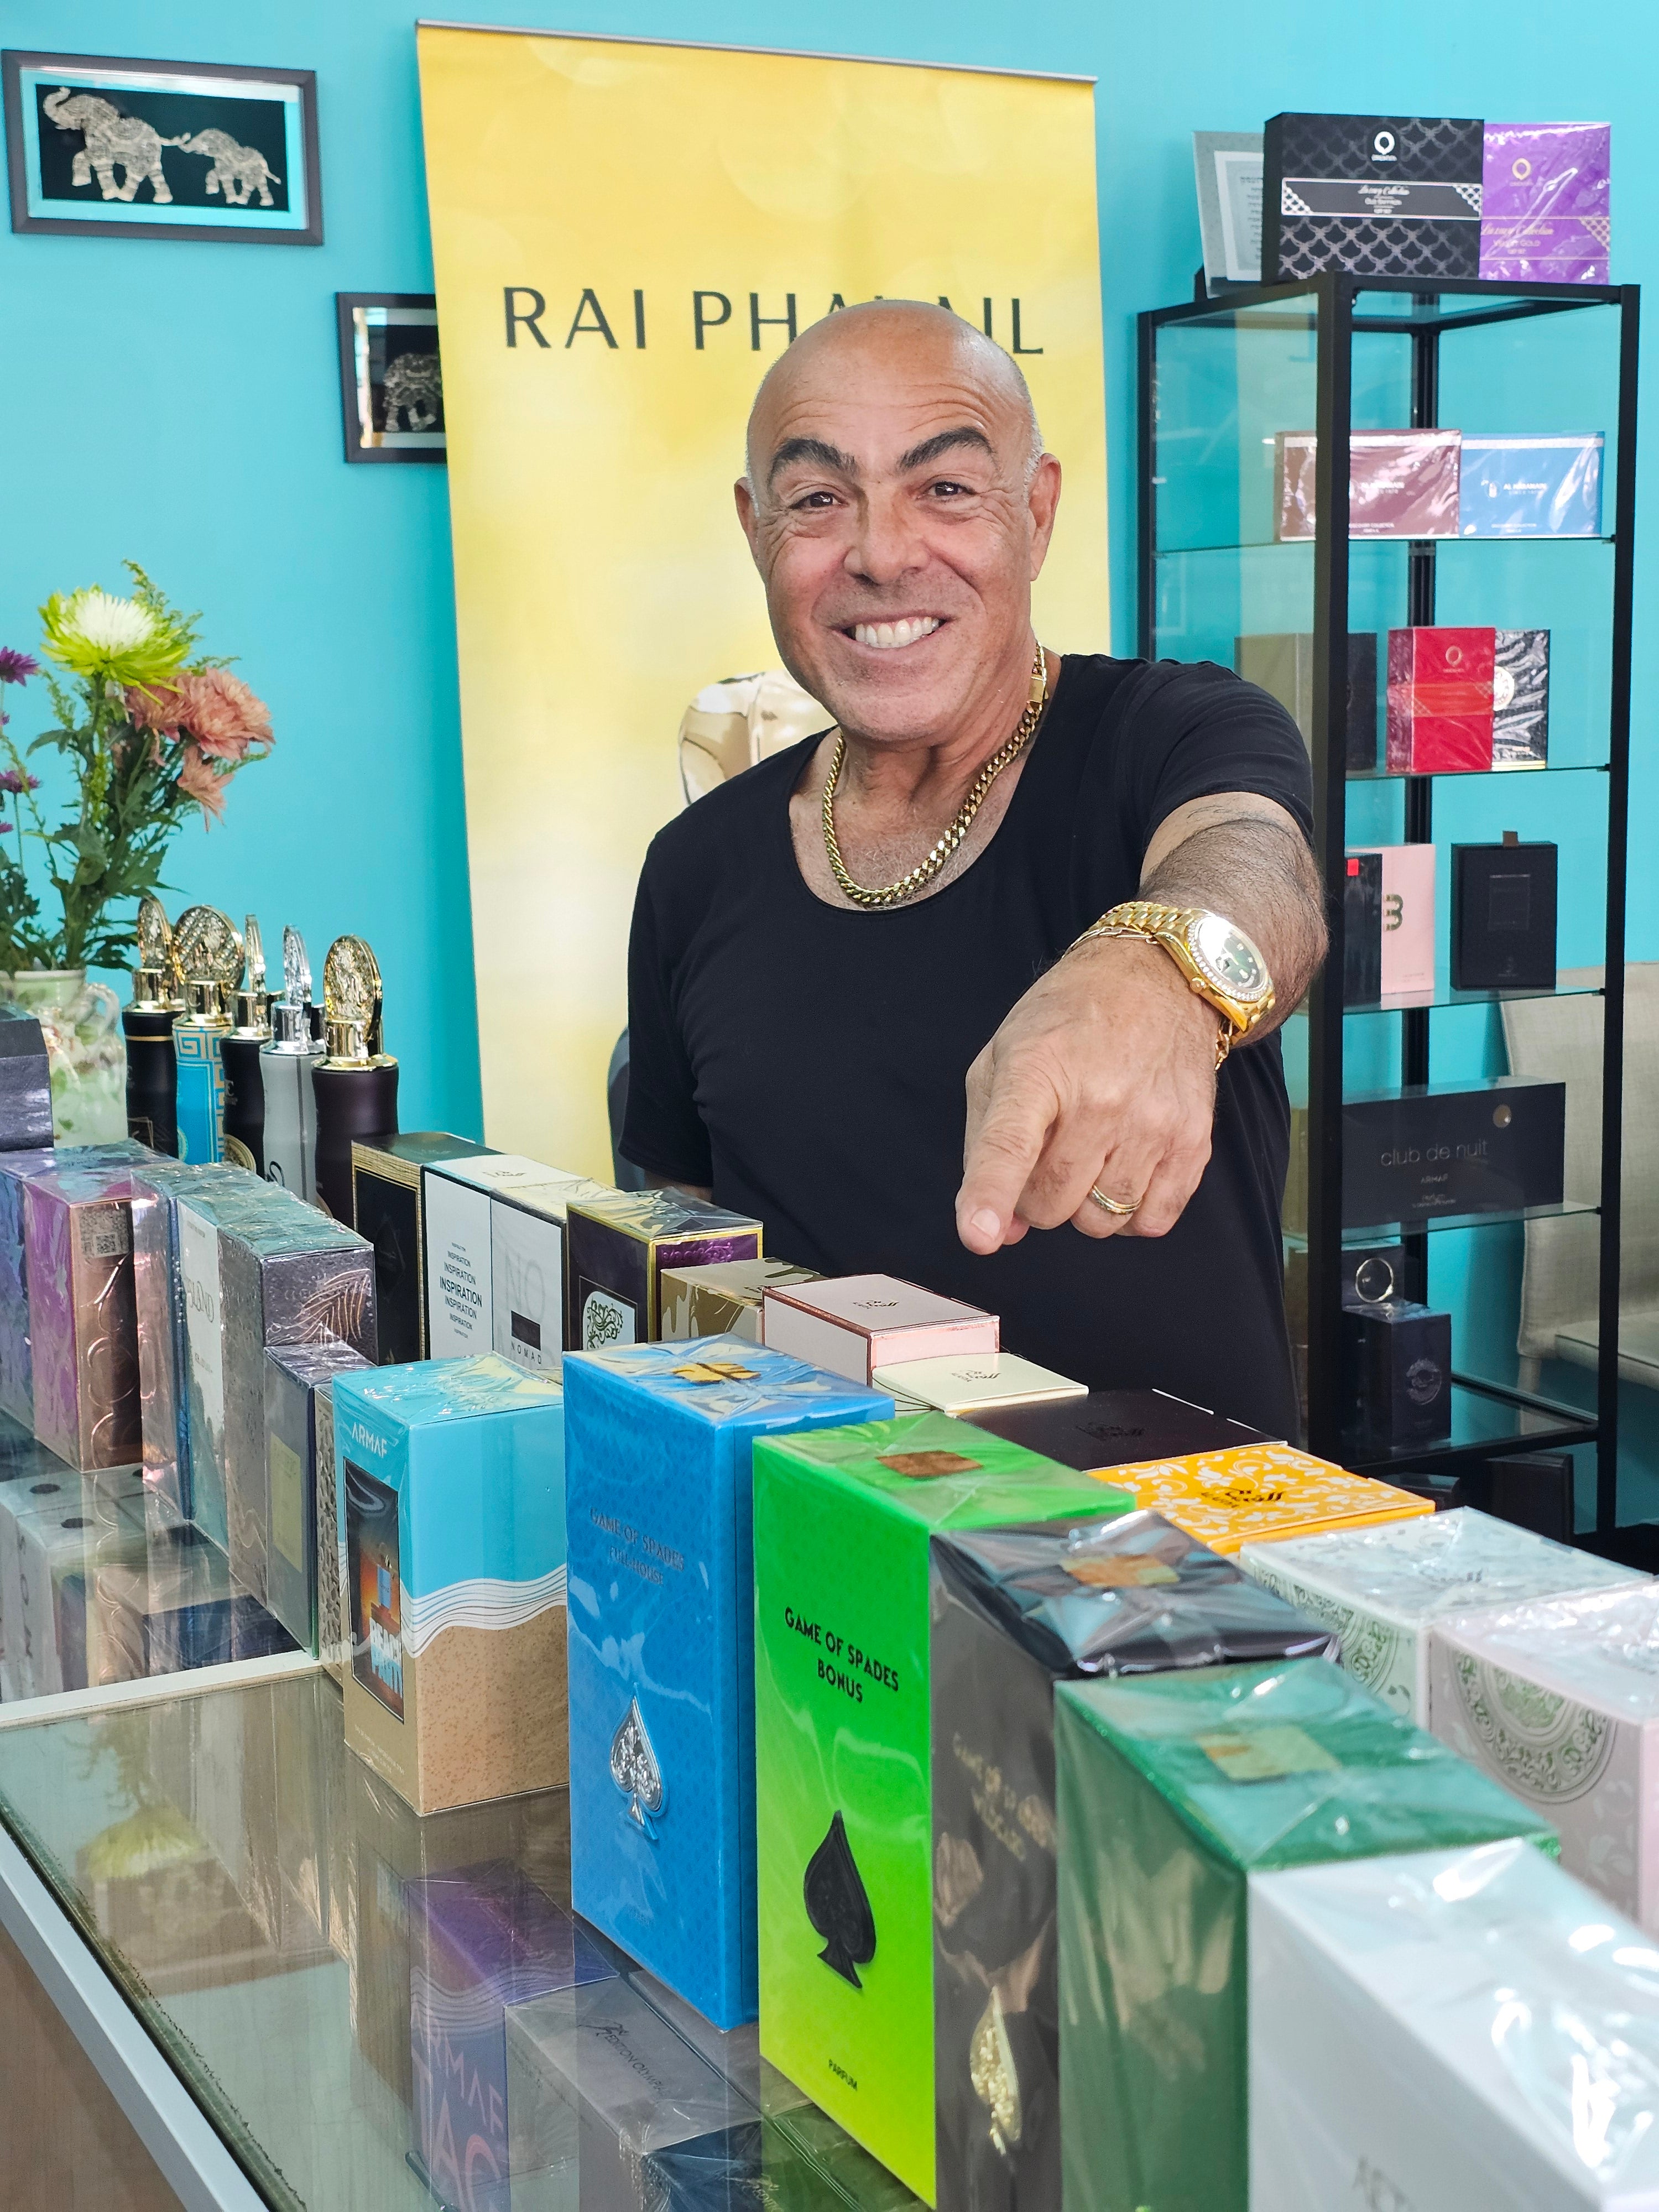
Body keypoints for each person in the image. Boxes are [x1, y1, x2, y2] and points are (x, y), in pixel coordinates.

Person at [620, 301, 1326, 1437]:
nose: (884, 552)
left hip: (1178, 1571)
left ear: (1036, 513)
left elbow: (1256, 865)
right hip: (825, 1574)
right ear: (756, 529)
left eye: (945, 488)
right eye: (817, 499)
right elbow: (680, 1236)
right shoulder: (695, 865)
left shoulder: (1171, 735)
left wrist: (1158, 971)